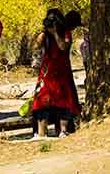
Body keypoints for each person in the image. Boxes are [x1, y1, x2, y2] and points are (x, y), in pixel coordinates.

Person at [30, 8, 81, 140]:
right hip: (47, 71)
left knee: (63, 99)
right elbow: (35, 46)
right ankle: (41, 133)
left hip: (61, 70)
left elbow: (63, 47)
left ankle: (63, 130)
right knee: (42, 99)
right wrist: (43, 33)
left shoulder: (65, 32)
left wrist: (55, 33)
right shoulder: (45, 34)